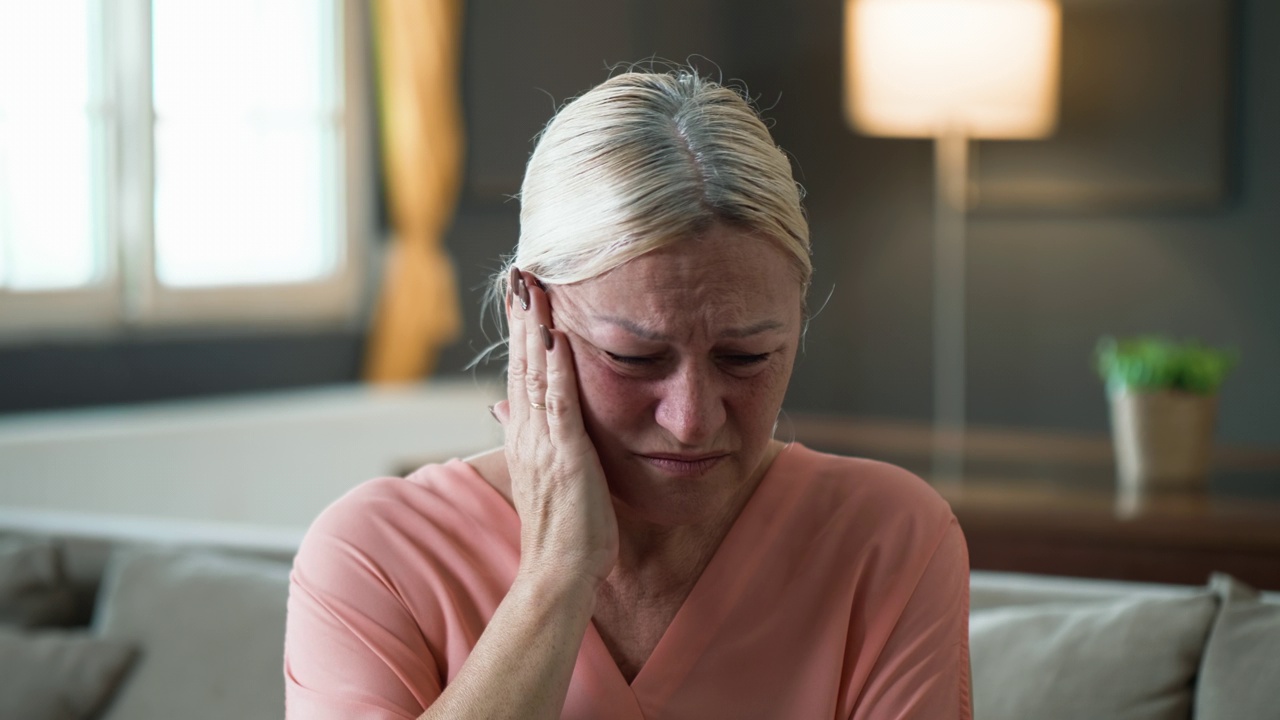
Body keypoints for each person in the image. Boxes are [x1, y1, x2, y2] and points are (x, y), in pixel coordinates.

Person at [284, 68, 972, 720]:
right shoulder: (376, 552)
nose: (693, 420)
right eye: (635, 358)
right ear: (531, 316)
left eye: (746, 357)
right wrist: (556, 577)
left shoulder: (886, 538)